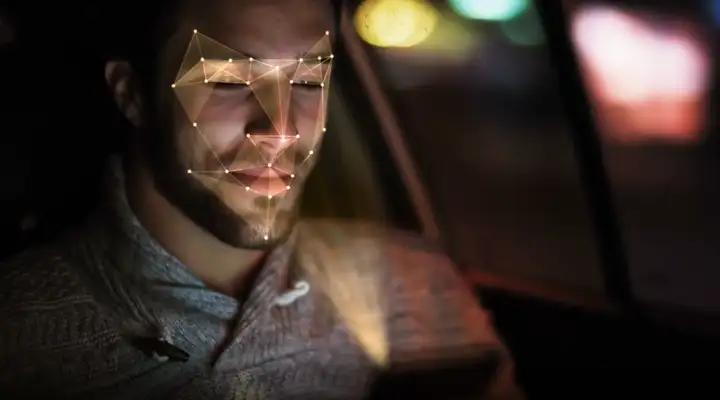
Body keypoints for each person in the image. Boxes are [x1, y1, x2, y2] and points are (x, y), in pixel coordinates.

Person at [0, 0, 523, 398]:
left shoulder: (412, 287)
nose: (279, 130)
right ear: (133, 94)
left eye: (305, 78)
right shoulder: (22, 337)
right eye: (228, 80)